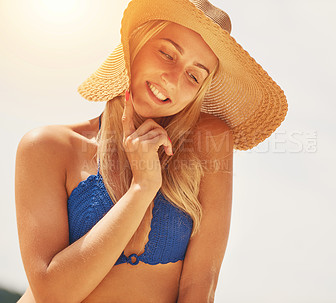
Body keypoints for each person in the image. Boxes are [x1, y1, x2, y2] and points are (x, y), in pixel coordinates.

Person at [15, 0, 288, 302]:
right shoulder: (49, 147)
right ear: (135, 44)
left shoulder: (208, 144)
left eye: (194, 76)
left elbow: (200, 285)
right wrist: (142, 188)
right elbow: (52, 294)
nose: (172, 80)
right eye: (167, 53)